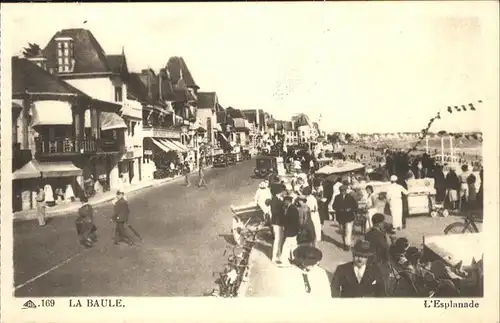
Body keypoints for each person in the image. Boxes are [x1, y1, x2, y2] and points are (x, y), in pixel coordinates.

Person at [332, 185, 358, 251]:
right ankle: (345, 243)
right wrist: (339, 209)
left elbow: (355, 206)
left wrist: (350, 209)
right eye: (341, 191)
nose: (342, 192)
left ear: (346, 191)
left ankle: (347, 244)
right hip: (341, 217)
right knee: (343, 231)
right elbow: (334, 206)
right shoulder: (337, 197)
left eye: (343, 191)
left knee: (348, 231)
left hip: (349, 217)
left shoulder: (350, 197)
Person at [281, 195, 300, 266]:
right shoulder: (293, 208)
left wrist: (285, 228)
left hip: (290, 231)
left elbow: (290, 221)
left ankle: (284, 262)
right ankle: (295, 261)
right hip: (294, 231)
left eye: (284, 201)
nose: (284, 203)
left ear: (287, 201)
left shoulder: (291, 209)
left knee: (286, 246)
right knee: (293, 246)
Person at [270, 184, 286, 264]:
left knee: (280, 240)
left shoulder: (277, 199)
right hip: (277, 223)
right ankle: (274, 257)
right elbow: (274, 212)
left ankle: (278, 255)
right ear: (278, 192)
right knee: (277, 240)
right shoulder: (275, 200)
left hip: (279, 223)